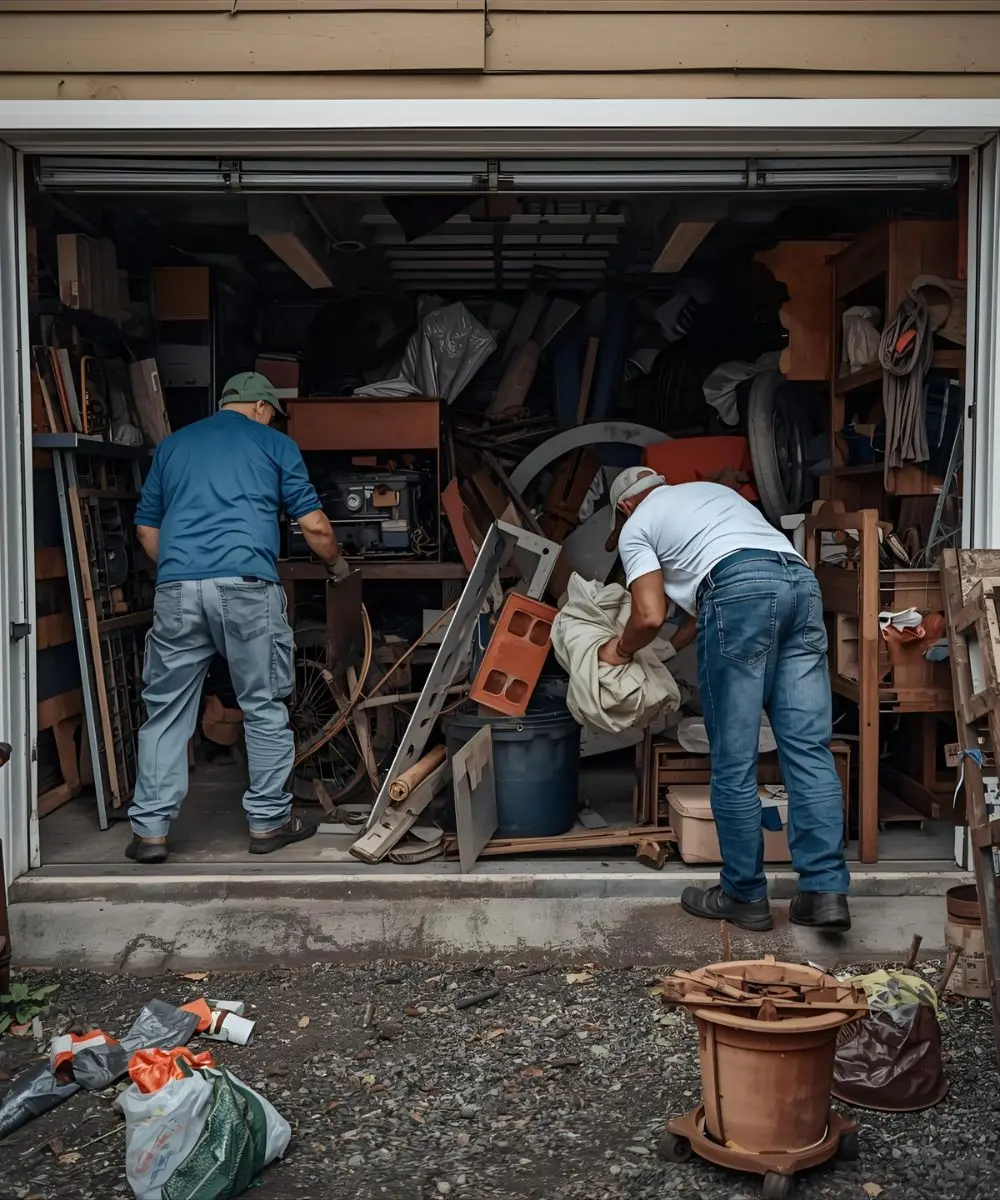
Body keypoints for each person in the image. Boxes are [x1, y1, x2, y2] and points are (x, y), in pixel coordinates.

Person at [602, 466, 850, 932]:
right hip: (799, 583)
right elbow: (725, 582)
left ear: (624, 508)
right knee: (808, 751)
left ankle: (743, 894)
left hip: (739, 594)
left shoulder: (637, 526)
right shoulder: (711, 495)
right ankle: (825, 893)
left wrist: (619, 650)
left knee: (734, 760)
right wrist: (668, 651)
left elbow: (651, 614)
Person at [128, 371, 348, 864]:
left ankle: (151, 831)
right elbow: (313, 524)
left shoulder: (173, 446)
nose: (272, 420)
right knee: (264, 704)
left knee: (165, 711)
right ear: (260, 407)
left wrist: (184, 570)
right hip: (247, 588)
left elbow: (147, 531)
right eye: (272, 413)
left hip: (178, 588)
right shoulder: (274, 445)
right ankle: (269, 822)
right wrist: (336, 565)